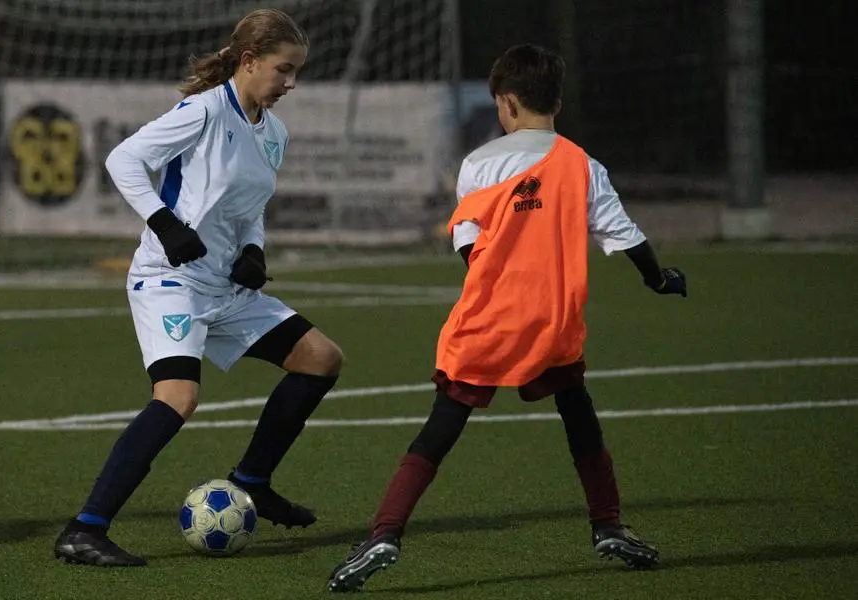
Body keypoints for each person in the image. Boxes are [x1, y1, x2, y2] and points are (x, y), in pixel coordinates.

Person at [327, 44, 686, 592]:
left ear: (508, 104)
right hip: (553, 322)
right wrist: (659, 279)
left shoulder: (479, 164)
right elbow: (628, 238)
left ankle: (384, 533)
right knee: (578, 416)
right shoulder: (582, 165)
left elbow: (468, 245)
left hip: (488, 322)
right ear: (557, 104)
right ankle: (608, 524)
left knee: (440, 427)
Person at [53, 8, 345, 567]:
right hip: (171, 280)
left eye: (296, 72)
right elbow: (124, 159)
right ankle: (84, 529)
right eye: (283, 70)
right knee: (179, 398)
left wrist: (254, 251)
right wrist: (164, 223)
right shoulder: (204, 111)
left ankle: (253, 481)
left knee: (320, 359)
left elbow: (249, 209)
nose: (291, 83)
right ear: (250, 61)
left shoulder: (274, 133)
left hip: (222, 286)